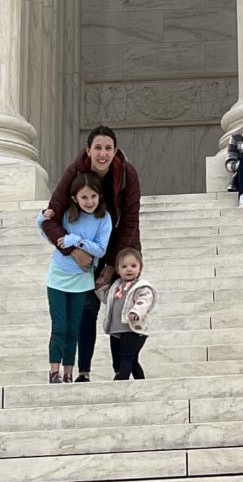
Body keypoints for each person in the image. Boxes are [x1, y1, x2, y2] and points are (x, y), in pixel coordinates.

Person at [44, 127, 143, 380]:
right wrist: (73, 251)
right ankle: (84, 371)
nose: (103, 154)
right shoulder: (75, 173)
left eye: (108, 148)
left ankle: (122, 370)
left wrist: (113, 265)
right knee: (87, 308)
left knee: (123, 308)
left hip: (119, 249)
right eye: (97, 148)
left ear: (115, 150)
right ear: (88, 150)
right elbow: (51, 219)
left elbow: (129, 222)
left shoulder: (127, 175)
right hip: (85, 251)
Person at [40, 169, 112, 383]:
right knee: (59, 327)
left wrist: (76, 241)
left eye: (93, 196)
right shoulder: (67, 215)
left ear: (100, 196)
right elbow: (47, 231)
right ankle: (54, 371)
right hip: (58, 278)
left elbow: (100, 250)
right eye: (84, 197)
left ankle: (69, 372)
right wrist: (40, 218)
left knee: (73, 329)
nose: (89, 201)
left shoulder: (104, 218)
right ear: (74, 198)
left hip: (82, 281)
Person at [100, 246, 156, 380]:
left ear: (140, 269)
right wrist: (100, 288)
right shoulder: (116, 286)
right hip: (117, 330)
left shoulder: (141, 286)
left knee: (126, 356)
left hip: (134, 330)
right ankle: (139, 381)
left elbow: (144, 300)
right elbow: (107, 299)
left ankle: (121, 379)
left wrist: (136, 311)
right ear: (118, 270)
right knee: (130, 359)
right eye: (124, 266)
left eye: (133, 265)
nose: (129, 269)